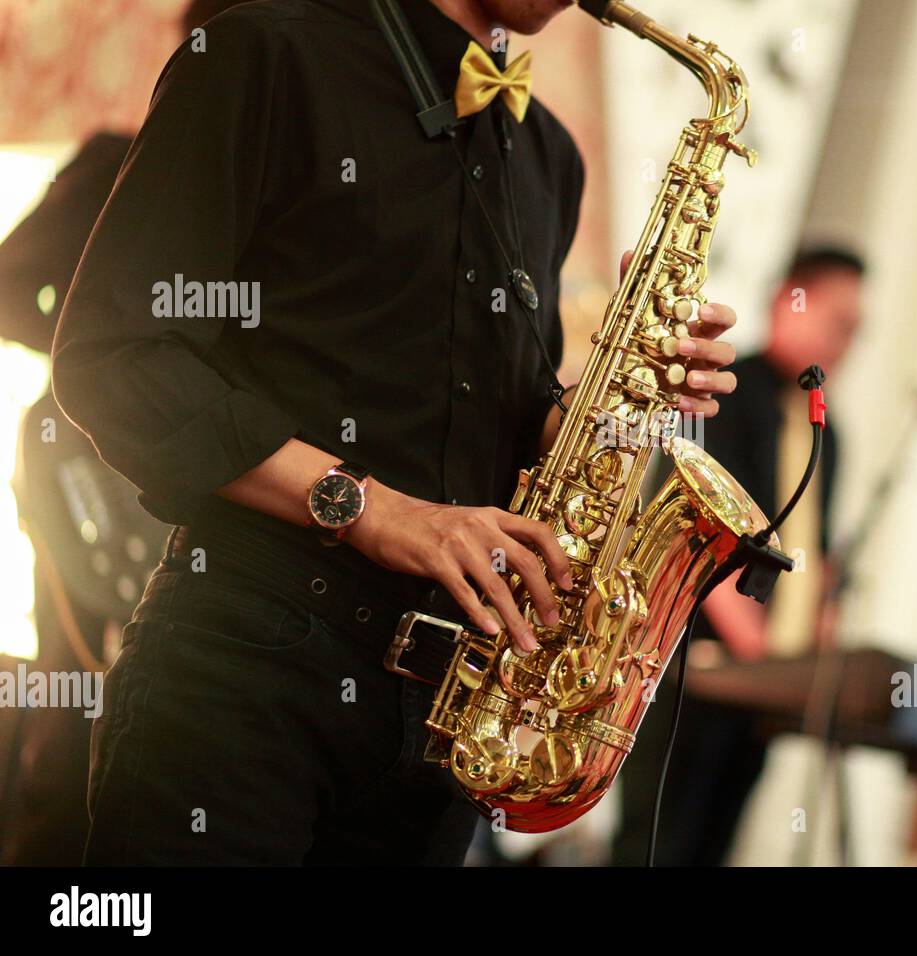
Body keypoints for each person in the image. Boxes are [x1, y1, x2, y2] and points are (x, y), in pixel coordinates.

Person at [51, 0, 741, 865]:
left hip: (446, 723)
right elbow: (114, 353)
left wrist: (621, 398)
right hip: (243, 673)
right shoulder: (265, 52)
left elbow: (509, 411)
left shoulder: (549, 156)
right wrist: (371, 509)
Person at [0, 0, 254, 867]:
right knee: (77, 731)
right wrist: (117, 359)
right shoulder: (115, 160)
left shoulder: (286, 185)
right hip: (93, 477)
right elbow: (5, 289)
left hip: (227, 496)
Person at [614, 245, 866, 866]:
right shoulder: (722, 395)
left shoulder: (823, 430)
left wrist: (810, 637)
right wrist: (757, 656)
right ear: (789, 301)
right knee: (654, 842)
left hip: (761, 684)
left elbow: (812, 549)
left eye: (856, 331)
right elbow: (698, 525)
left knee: (712, 848)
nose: (846, 343)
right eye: (838, 322)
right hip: (688, 662)